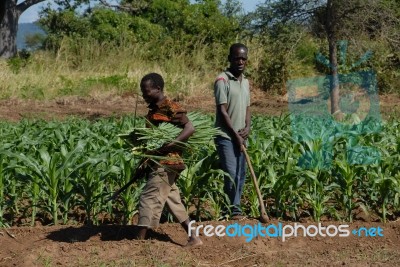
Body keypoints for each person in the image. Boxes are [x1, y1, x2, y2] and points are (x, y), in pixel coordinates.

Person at [136, 72, 202, 247]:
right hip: (157, 162)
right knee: (173, 200)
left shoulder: (170, 107)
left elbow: (189, 128)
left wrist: (171, 144)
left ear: (158, 89)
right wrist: (144, 161)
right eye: (142, 92)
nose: (144, 95)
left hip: (167, 163)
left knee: (148, 198)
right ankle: (194, 237)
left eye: (146, 91)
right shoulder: (153, 112)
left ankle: (138, 241)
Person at [214, 43, 251, 220]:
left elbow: (248, 108)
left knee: (241, 174)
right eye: (237, 58)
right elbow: (222, 111)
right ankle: (234, 210)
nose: (240, 61)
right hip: (226, 136)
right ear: (230, 59)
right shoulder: (223, 80)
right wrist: (235, 135)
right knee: (231, 172)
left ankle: (232, 207)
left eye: (243, 58)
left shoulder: (246, 82)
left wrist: (247, 128)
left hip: (241, 136)